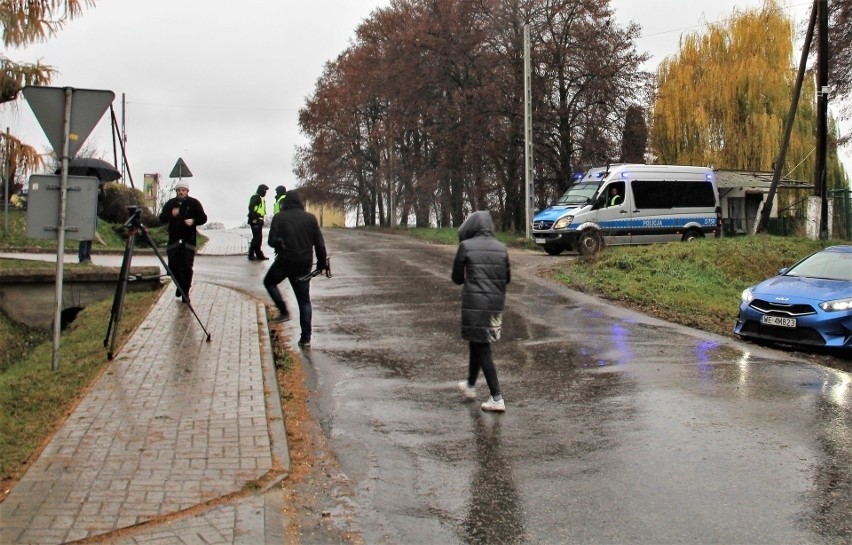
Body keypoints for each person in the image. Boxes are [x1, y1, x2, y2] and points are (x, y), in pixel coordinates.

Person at [452, 210, 510, 413]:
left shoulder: (465, 246)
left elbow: (457, 278)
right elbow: (507, 278)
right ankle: (470, 384)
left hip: (475, 303)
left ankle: (497, 397)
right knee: (477, 343)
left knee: (483, 347)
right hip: (495, 304)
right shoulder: (502, 248)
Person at [263, 189, 327, 348]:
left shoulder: (279, 218)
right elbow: (319, 243)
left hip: (285, 261)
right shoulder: (310, 219)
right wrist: (321, 264)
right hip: (304, 264)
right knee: (304, 301)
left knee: (269, 282)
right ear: (300, 202)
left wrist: (280, 243)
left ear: (285, 203)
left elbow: (271, 241)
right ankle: (306, 338)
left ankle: (283, 310)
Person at [158, 180, 207, 303]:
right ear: (176, 191)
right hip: (173, 241)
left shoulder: (194, 203)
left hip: (188, 240)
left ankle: (185, 292)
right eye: (179, 190)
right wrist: (171, 214)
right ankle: (179, 285)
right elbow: (161, 218)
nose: (181, 192)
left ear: (187, 191)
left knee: (186, 268)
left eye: (183, 190)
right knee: (173, 267)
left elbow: (203, 218)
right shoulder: (171, 203)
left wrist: (193, 221)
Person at [247, 184, 270, 261]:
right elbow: (251, 208)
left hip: (258, 219)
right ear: (261, 190)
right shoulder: (256, 197)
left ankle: (259, 254)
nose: (265, 193)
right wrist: (254, 218)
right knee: (256, 238)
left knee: (259, 238)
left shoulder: (259, 197)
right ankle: (251, 254)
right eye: (264, 191)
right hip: (255, 220)